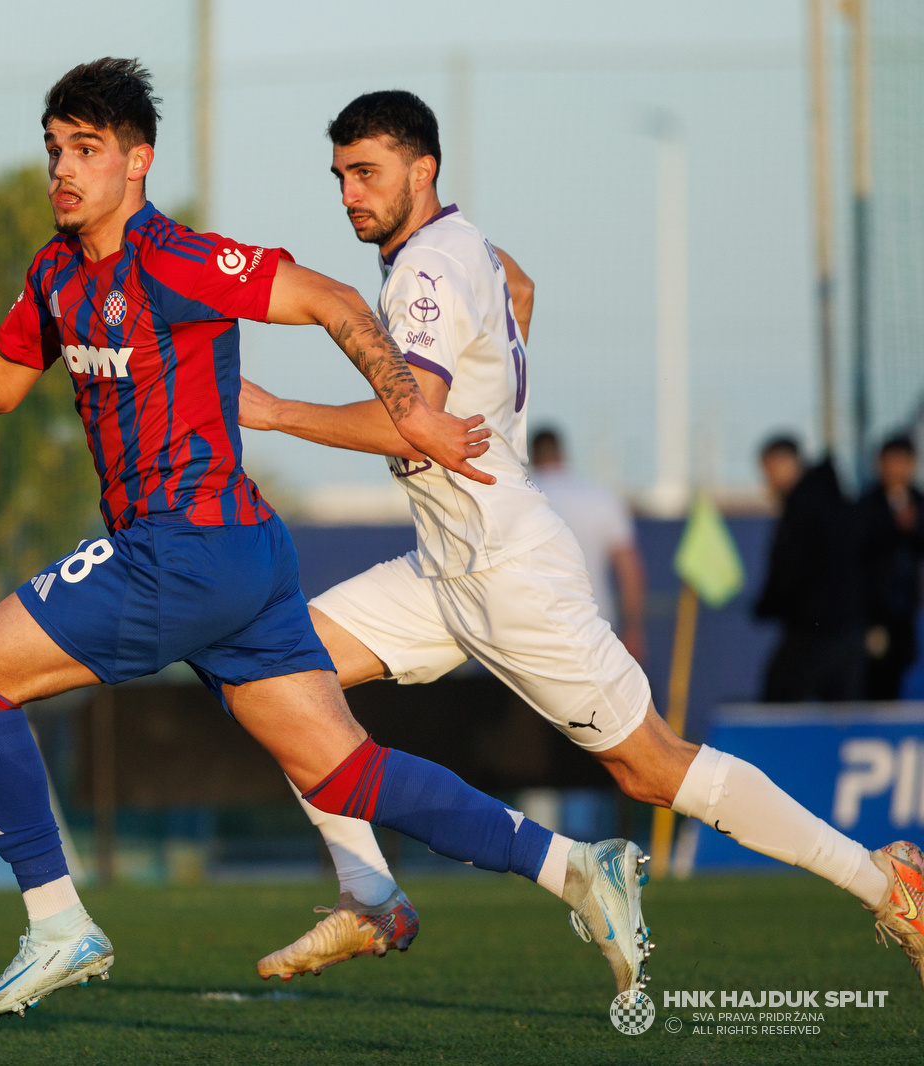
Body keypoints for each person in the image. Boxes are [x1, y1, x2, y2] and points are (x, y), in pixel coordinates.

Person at [0, 60, 645, 1024]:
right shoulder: (55, 273)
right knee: (341, 769)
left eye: (87, 150)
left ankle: (57, 923)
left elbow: (336, 300)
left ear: (139, 162)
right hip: (245, 558)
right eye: (55, 149)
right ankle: (574, 869)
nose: (64, 170)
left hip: (185, 548)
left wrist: (411, 415)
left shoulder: (177, 258)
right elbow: (0, 380)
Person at [238, 89, 924, 989]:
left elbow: (417, 418)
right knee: (272, 672)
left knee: (653, 768)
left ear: (423, 168)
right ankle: (371, 897)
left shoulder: (428, 269)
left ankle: (887, 882)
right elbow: (521, 289)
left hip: (509, 569)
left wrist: (274, 412)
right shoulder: (458, 247)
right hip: (445, 567)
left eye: (365, 173)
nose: (348, 195)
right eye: (339, 177)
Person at [754, 435, 867, 701]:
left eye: (768, 470)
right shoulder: (830, 497)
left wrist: (768, 604)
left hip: (817, 629)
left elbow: (794, 569)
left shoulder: (804, 505)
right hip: (844, 627)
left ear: (782, 463)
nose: (766, 480)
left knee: (781, 700)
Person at [530, 427, 647, 663]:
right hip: (595, 628)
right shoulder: (601, 497)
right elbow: (629, 569)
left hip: (533, 633)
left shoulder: (521, 496)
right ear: (562, 454)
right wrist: (634, 629)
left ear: (533, 456)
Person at [858, 434, 924, 700]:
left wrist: (912, 529)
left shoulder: (919, 503)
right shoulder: (866, 506)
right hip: (874, 611)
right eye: (890, 462)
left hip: (906, 608)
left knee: (902, 664)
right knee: (875, 674)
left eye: (903, 462)